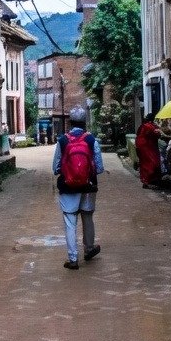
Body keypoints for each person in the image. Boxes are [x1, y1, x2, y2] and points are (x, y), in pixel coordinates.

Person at [53, 106, 104, 270]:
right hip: (88, 186)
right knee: (87, 217)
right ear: (84, 122)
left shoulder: (63, 140)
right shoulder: (91, 140)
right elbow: (100, 167)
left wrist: (69, 172)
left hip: (68, 187)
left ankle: (73, 259)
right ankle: (89, 249)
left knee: (70, 222)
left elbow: (55, 168)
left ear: (70, 122)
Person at [134, 110, 165, 188]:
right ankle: (151, 180)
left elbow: (138, 135)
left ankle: (146, 181)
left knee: (144, 163)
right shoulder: (151, 126)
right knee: (153, 163)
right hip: (149, 147)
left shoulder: (143, 126)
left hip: (140, 146)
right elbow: (157, 135)